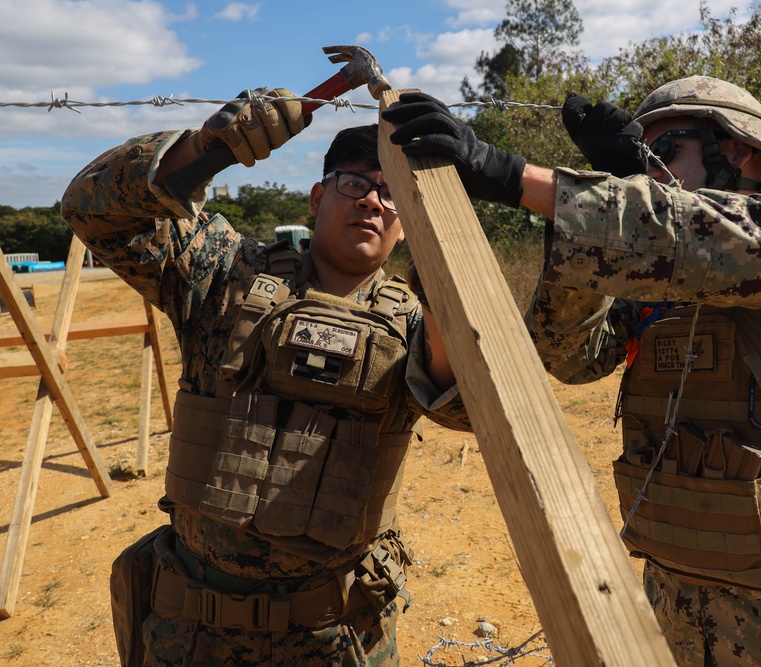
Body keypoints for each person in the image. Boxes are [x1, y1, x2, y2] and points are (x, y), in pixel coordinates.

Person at [382, 76, 761, 665]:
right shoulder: (657, 291)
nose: (647, 175)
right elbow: (567, 354)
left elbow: (729, 241)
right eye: (640, 160)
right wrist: (595, 214)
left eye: (663, 153)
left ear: (739, 152)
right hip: (680, 630)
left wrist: (515, 176)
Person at [62, 87, 470, 667]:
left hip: (340, 635)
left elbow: (460, 413)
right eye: (354, 184)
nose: (373, 203)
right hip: (191, 632)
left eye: (391, 195)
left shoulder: (416, 319)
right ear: (316, 197)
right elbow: (89, 209)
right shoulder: (224, 271)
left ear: (405, 227)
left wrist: (445, 284)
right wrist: (209, 149)